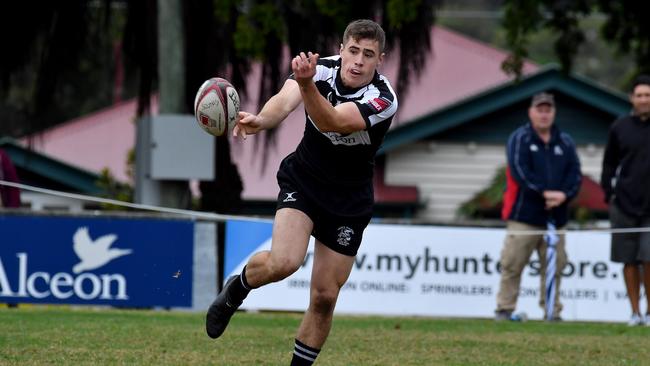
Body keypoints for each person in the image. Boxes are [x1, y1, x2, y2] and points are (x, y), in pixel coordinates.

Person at [205, 19, 397, 365]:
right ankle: (238, 288)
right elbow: (283, 101)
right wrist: (261, 120)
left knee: (324, 297)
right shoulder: (320, 70)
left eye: (367, 55)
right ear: (341, 50)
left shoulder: (383, 99)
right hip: (305, 181)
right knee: (284, 262)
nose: (358, 61)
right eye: (352, 50)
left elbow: (333, 122)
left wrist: (307, 84)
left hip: (349, 201)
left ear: (379, 60)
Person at [495, 92, 582, 321]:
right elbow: (519, 171)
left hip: (556, 218)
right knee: (512, 264)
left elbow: (575, 174)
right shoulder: (520, 138)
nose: (544, 114)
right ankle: (504, 309)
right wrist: (544, 192)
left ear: (553, 113)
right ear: (531, 112)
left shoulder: (565, 141)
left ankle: (552, 312)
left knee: (555, 267)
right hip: (524, 216)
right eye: (540, 110)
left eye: (548, 110)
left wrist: (564, 195)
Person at [601, 75, 650, 326]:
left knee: (648, 257)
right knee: (628, 261)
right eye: (639, 95)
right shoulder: (619, 127)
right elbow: (609, 163)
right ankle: (635, 313)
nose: (644, 99)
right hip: (624, 205)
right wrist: (607, 192)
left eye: (648, 95)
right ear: (632, 98)